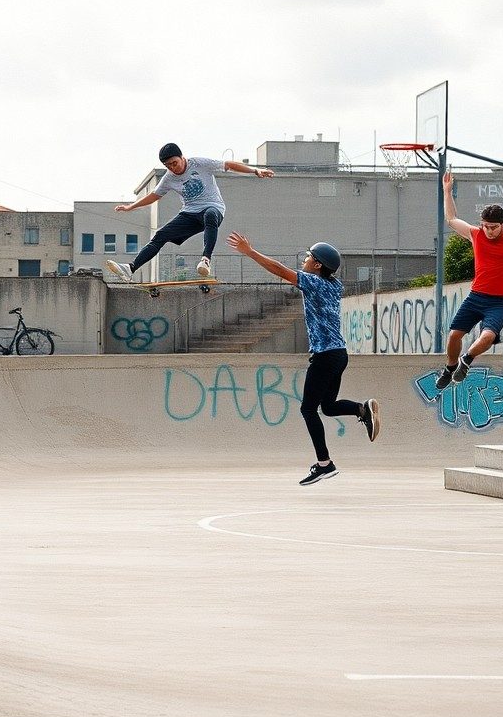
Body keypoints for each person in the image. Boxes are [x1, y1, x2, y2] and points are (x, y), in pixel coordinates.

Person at [227, 231, 380, 485]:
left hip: (325, 356)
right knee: (328, 407)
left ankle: (325, 464)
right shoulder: (334, 285)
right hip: (339, 354)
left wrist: (250, 252)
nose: (304, 261)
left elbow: (279, 270)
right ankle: (361, 409)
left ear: (318, 265)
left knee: (308, 409)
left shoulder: (315, 282)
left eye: (308, 257)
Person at [434, 170, 503, 389]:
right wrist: (447, 192)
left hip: (499, 301)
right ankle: (449, 368)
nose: (489, 231)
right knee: (453, 336)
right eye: (486, 226)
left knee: (487, 338)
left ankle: (466, 360)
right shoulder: (476, 235)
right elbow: (452, 219)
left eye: (493, 228)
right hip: (476, 297)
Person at [106, 143, 273, 283]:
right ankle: (130, 268)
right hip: (189, 214)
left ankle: (205, 260)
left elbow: (228, 165)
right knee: (160, 235)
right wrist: (131, 207)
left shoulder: (199, 163)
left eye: (174, 163)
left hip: (213, 207)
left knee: (209, 215)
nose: (172, 168)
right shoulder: (169, 177)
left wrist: (255, 171)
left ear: (182, 157)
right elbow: (154, 196)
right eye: (168, 166)